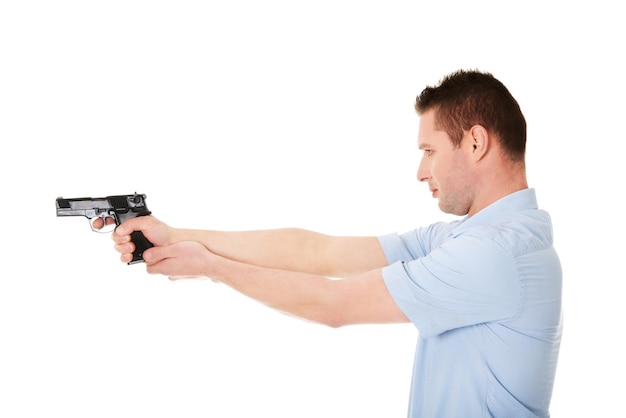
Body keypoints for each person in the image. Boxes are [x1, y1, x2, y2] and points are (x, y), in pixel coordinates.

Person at [112, 70, 562, 417]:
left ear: (476, 142)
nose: (421, 172)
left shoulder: (495, 254)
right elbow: (318, 252)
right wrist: (177, 237)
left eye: (429, 151)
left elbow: (334, 304)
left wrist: (210, 267)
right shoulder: (467, 238)